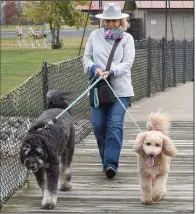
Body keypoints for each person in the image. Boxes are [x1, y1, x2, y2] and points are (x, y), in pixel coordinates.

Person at [82, 3, 135, 179]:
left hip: (120, 90)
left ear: (120, 21)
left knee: (114, 125)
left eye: (114, 21)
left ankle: (111, 164)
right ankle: (106, 159)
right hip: (98, 88)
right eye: (108, 20)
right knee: (98, 125)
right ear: (103, 20)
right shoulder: (94, 36)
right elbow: (87, 57)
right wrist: (94, 69)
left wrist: (112, 71)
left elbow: (128, 62)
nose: (111, 24)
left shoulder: (127, 39)